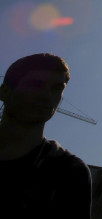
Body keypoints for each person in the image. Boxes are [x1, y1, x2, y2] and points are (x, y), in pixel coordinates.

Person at [0, 53, 92, 218]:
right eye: (35, 84)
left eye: (57, 88)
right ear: (4, 92)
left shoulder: (70, 172)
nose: (46, 96)